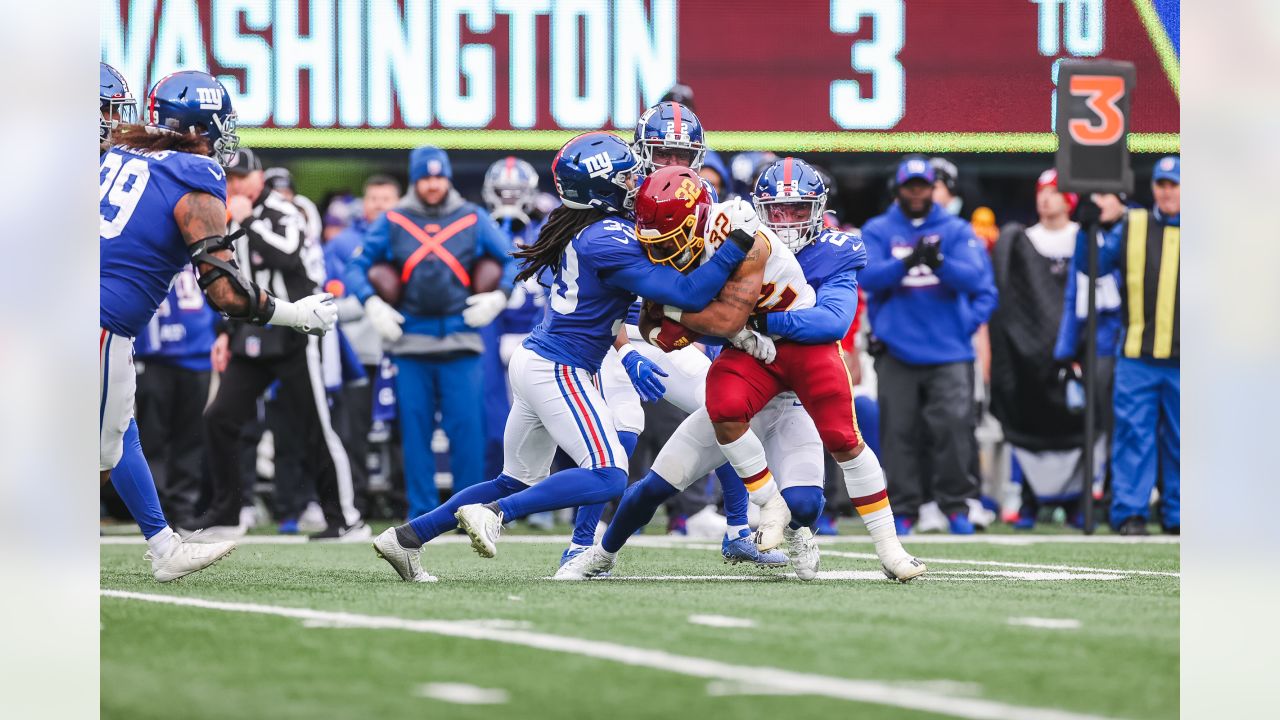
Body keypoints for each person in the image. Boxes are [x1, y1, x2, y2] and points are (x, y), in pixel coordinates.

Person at [371, 132, 753, 582]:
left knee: (515, 478)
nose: (634, 182)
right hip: (561, 367)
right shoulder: (608, 236)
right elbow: (687, 292)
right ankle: (495, 514)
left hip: (540, 360)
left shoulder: (581, 224)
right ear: (600, 187)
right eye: (625, 176)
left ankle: (407, 538)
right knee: (610, 474)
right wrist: (738, 241)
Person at [560, 159, 923, 582]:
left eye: (797, 210)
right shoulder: (686, 239)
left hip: (796, 385)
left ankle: (832, 536)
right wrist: (677, 321)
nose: (786, 222)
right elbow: (673, 321)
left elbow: (829, 322)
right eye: (778, 210)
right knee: (669, 468)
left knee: (819, 481)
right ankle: (602, 554)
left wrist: (755, 325)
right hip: (752, 369)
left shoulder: (785, 242)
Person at [100, 69, 337, 580]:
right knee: (97, 446)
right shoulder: (193, 174)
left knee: (118, 434)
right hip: (96, 322)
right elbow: (225, 291)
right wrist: (295, 313)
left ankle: (164, 547)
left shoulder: (120, 153)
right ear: (200, 125)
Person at [559, 101, 771, 568]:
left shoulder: (707, 200)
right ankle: (581, 541)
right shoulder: (617, 195)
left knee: (724, 410)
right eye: (662, 154)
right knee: (620, 432)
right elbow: (598, 292)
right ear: (641, 151)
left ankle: (738, 529)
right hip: (619, 330)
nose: (673, 166)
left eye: (682, 155)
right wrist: (624, 346)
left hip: (677, 328)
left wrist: (709, 332)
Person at [191, 147, 364, 541]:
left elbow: (287, 257)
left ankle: (345, 517)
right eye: (229, 178)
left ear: (258, 176)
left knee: (315, 425)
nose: (234, 185)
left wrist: (248, 219)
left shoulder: (283, 210)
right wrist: (224, 333)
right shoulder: (224, 213)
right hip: (251, 333)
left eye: (241, 177)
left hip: (296, 331)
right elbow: (227, 280)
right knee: (220, 417)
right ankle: (228, 512)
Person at [345, 146, 514, 519]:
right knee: (415, 436)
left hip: (462, 339)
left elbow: (510, 260)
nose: (433, 184)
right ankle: (422, 513)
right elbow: (357, 267)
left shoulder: (472, 216)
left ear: (447, 177)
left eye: (438, 177)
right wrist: (372, 303)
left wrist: (498, 297)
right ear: (415, 179)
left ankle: (469, 512)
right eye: (425, 177)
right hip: (410, 342)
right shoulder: (394, 219)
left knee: (468, 434)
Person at [859, 156, 995, 535]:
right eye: (910, 186)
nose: (917, 193)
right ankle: (904, 508)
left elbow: (977, 281)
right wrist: (905, 265)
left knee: (953, 430)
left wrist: (940, 266)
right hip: (897, 350)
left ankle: (955, 506)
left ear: (933, 189)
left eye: (923, 186)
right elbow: (867, 277)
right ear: (898, 189)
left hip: (949, 351)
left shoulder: (955, 228)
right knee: (899, 433)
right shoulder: (878, 228)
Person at [1076, 156, 1181, 535]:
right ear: (1153, 188)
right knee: (1133, 435)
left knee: (1184, 439)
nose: (1168, 192)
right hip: (1137, 354)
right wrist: (1086, 229)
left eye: (1175, 185)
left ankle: (1180, 514)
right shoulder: (1132, 225)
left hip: (1189, 358)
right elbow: (1092, 266)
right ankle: (1130, 513)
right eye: (1162, 184)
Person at [132, 263, 218, 528]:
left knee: (190, 438)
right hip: (155, 356)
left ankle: (183, 508)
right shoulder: (147, 248)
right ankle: (154, 512)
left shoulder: (200, 252)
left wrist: (222, 333)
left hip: (198, 356)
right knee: (151, 439)